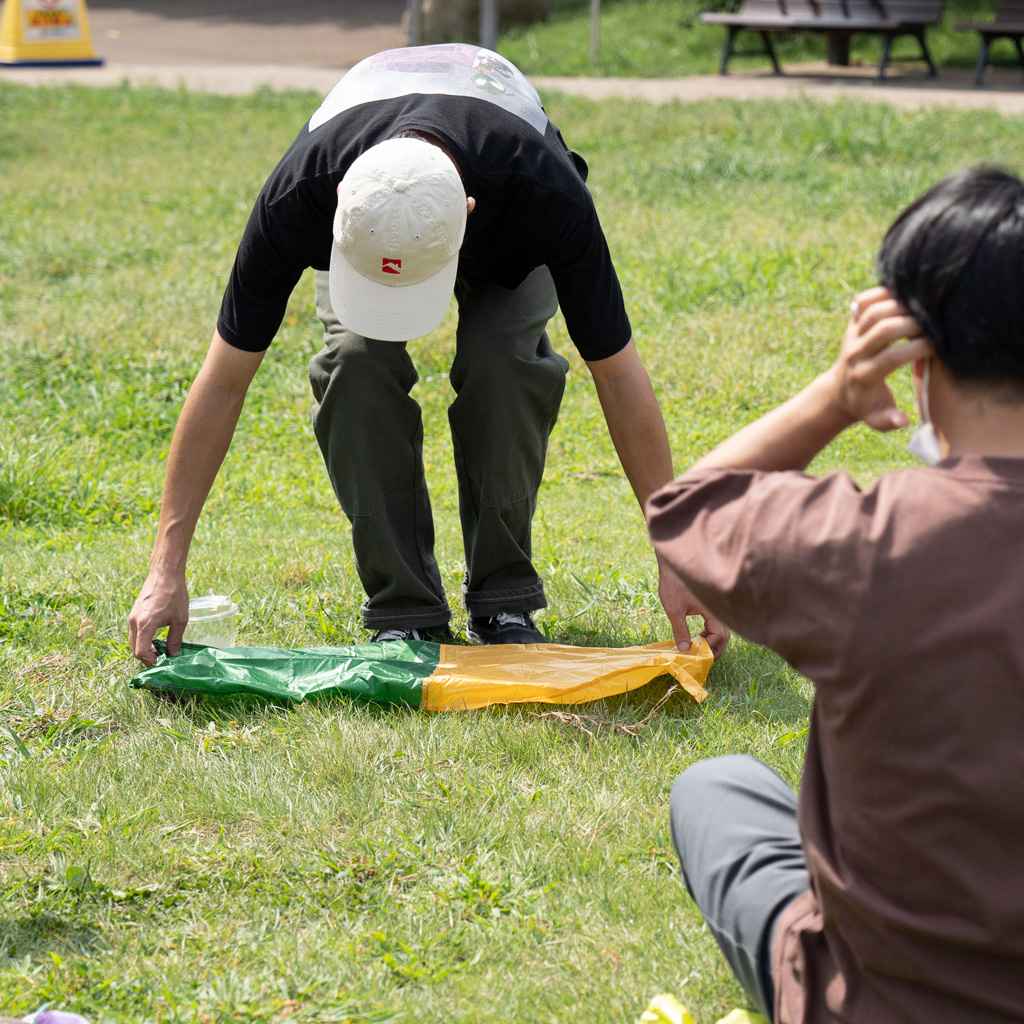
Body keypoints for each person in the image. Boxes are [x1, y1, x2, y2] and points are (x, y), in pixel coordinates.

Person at [128, 43, 728, 663]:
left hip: (504, 210)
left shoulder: (541, 190)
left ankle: (504, 601)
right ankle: (404, 612)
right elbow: (223, 381)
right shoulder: (301, 195)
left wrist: (677, 556)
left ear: (469, 217)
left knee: (505, 364)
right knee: (354, 364)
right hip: (374, 194)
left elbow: (618, 374)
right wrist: (165, 570)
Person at [646, 166, 1024, 1022]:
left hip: (878, 1003)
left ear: (914, 356)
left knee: (721, 788)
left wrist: (836, 396)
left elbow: (685, 512)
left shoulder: (864, 542)